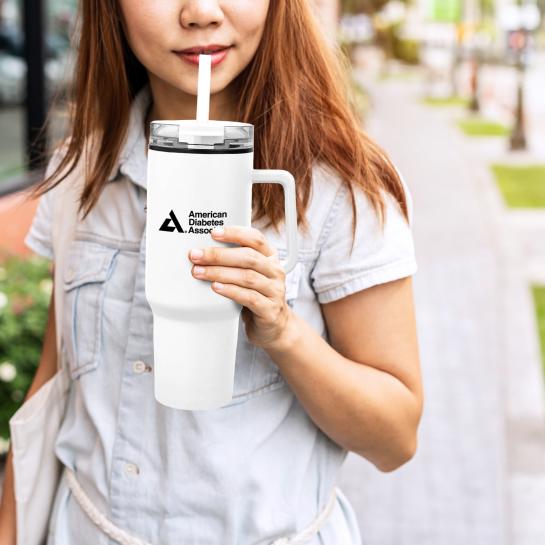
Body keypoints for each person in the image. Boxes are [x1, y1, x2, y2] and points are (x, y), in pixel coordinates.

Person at [0, 1, 423, 544]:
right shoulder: (83, 167)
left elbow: (396, 438)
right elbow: (51, 389)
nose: (200, 11)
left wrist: (283, 332)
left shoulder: (341, 188)